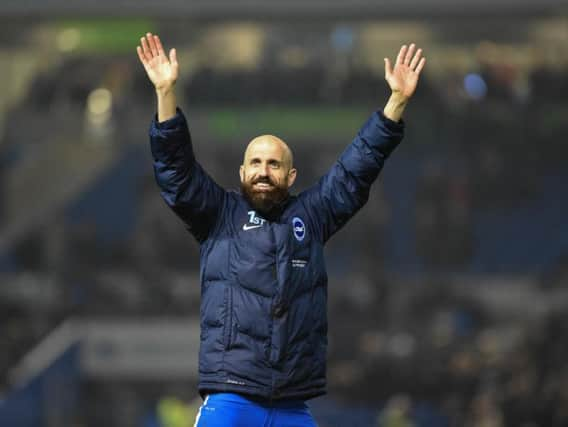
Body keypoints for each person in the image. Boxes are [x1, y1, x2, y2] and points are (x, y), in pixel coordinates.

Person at [137, 32, 426, 427]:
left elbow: (357, 169)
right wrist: (166, 92)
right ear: (241, 173)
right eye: (255, 163)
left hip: (293, 406)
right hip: (230, 398)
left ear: (291, 176)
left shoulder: (312, 215)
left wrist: (396, 102)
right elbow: (176, 170)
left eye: (273, 164)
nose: (263, 171)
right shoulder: (218, 214)